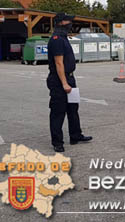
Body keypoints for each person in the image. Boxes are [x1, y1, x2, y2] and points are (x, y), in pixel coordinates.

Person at [47, 13, 92, 153]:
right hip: (60, 80)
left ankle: (75, 135)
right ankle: (57, 142)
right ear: (61, 23)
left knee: (73, 110)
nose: (71, 23)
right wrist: (65, 83)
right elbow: (59, 63)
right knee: (58, 112)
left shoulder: (63, 38)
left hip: (70, 78)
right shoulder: (56, 40)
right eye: (68, 21)